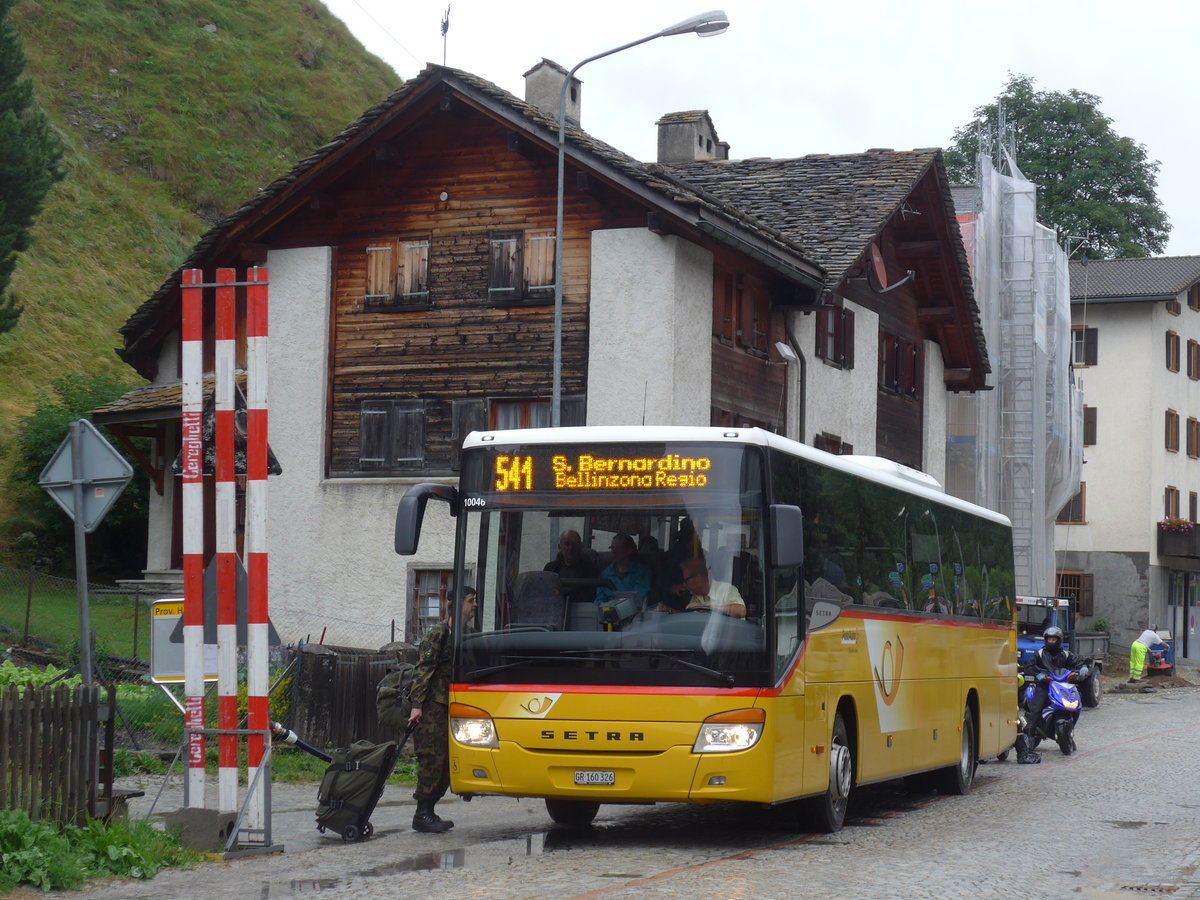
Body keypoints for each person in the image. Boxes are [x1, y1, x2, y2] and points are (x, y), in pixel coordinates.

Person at [407, 587, 478, 834]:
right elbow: (423, 670)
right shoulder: (438, 634)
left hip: (454, 705)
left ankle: (430, 811)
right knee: (432, 760)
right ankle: (422, 813)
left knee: (449, 760)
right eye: (470, 601)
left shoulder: (468, 634)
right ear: (457, 605)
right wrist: (417, 706)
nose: (475, 606)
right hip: (433, 707)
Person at [1022, 625, 1084, 738]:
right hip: (1044, 685)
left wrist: (1082, 669)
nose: (1051, 641)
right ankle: (1029, 737)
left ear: (1059, 640)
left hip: (1063, 684)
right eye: (1049, 639)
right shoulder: (1040, 654)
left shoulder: (1066, 654)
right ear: (1046, 640)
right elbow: (1029, 666)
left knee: (1076, 703)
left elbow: (1078, 663)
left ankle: (1069, 731)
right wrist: (1038, 674)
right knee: (1037, 708)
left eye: (1054, 639)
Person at [596, 533, 652, 607]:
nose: (613, 552)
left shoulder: (642, 571)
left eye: (617, 548)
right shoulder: (606, 574)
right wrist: (602, 605)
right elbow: (599, 600)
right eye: (612, 548)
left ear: (629, 550)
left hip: (635, 613)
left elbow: (638, 598)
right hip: (608, 611)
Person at [678, 557, 746, 618]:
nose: (684, 585)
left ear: (699, 576)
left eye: (687, 580)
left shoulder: (726, 589)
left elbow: (741, 611)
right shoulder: (696, 596)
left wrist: (704, 608)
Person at [544, 530, 600, 603]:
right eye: (567, 544)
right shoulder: (550, 569)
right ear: (559, 547)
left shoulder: (590, 569)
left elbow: (591, 597)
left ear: (580, 546)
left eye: (574, 544)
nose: (571, 548)